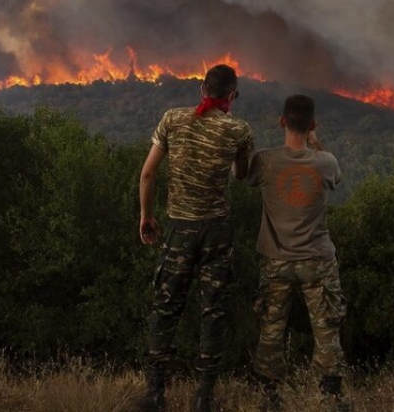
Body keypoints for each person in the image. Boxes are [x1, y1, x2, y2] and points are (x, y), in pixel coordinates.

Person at [136, 64, 254, 412]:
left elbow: (147, 173)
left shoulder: (172, 119)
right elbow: (241, 175)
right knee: (213, 312)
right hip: (216, 231)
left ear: (202, 89)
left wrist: (146, 216)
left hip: (179, 229)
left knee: (165, 308)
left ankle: (156, 394)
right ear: (231, 95)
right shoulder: (239, 130)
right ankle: (204, 398)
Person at [247, 94, 351, 412]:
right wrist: (316, 144)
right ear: (312, 125)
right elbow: (335, 177)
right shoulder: (325, 162)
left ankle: (269, 395)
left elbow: (245, 176)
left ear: (282, 121)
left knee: (271, 326)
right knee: (326, 327)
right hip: (317, 260)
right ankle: (331, 397)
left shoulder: (264, 161)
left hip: (276, 260)